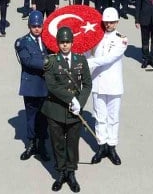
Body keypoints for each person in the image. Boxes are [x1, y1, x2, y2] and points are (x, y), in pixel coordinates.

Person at [42, 27, 92, 193]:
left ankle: (71, 173)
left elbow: (87, 84)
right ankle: (60, 173)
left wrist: (81, 102)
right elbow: (52, 85)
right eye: (62, 42)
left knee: (72, 143)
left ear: (72, 42)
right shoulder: (51, 61)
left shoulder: (80, 60)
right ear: (58, 43)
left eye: (67, 42)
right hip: (55, 110)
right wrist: (71, 99)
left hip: (74, 112)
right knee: (58, 144)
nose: (64, 45)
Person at [86, 7, 127, 166]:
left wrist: (87, 62)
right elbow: (87, 52)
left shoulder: (121, 39)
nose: (108, 25)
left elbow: (109, 58)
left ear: (117, 22)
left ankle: (112, 146)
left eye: (111, 22)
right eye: (106, 22)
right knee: (99, 116)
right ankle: (101, 145)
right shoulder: (96, 36)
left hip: (114, 84)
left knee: (113, 117)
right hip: (97, 82)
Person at [15, 11, 49, 162]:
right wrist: (49, 63)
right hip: (31, 85)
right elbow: (27, 61)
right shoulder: (22, 42)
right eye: (34, 26)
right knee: (31, 117)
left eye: (39, 26)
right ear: (29, 26)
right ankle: (31, 144)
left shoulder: (49, 40)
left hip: (46, 85)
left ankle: (42, 145)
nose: (36, 29)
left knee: (44, 117)